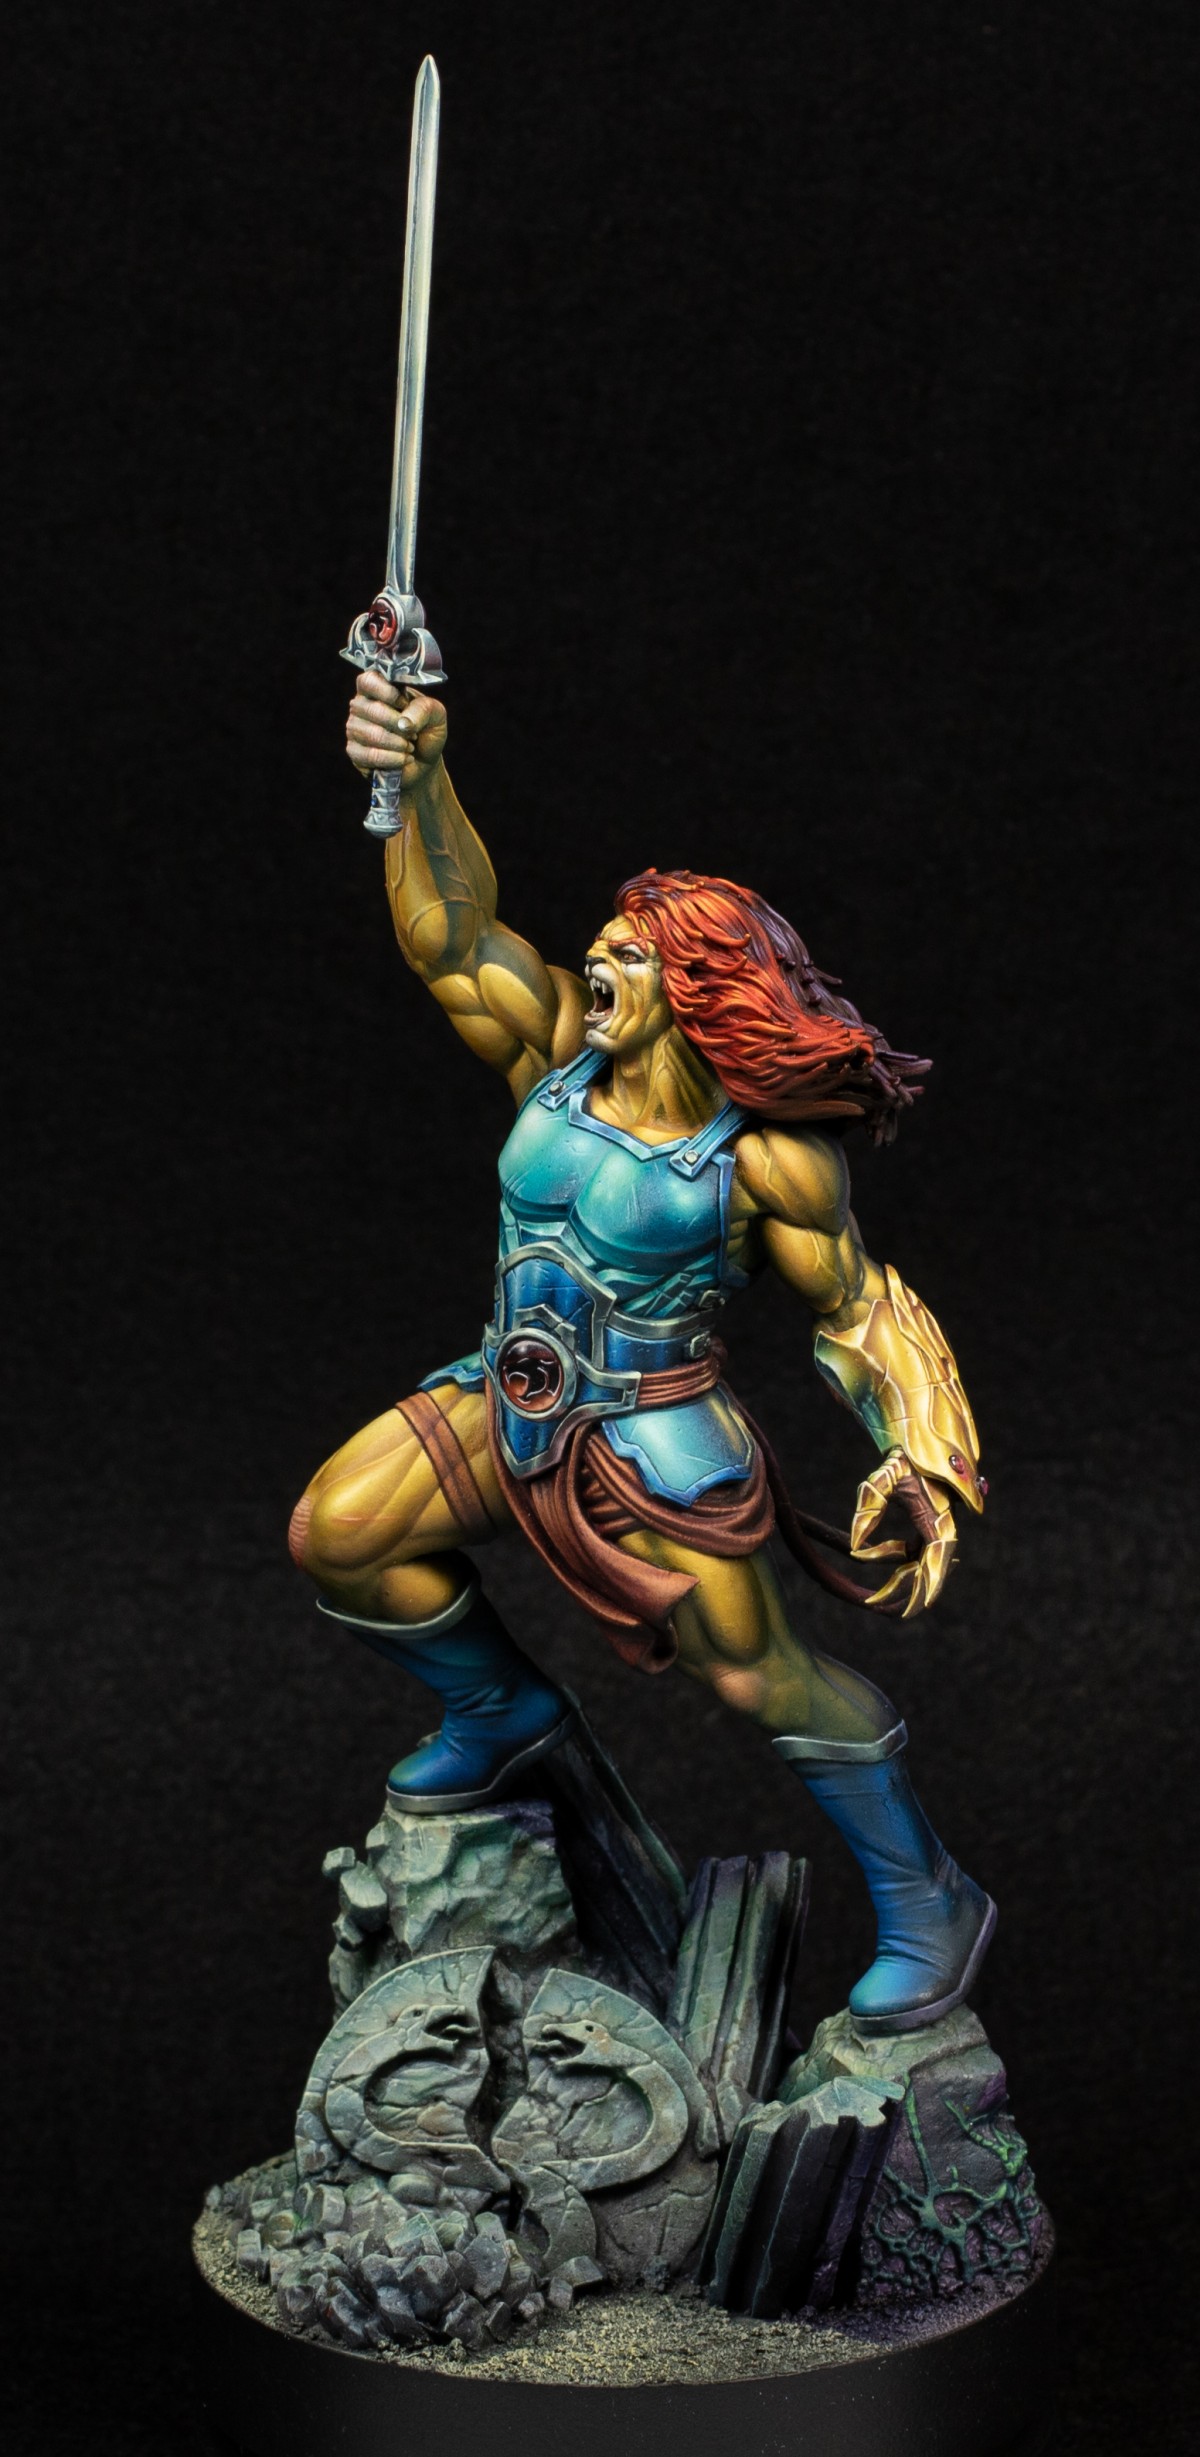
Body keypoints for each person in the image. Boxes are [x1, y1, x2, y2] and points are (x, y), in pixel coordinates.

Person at [288, 671, 994, 2036]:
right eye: (602, 944)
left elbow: (859, 1307)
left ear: (696, 988)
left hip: (651, 1440)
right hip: (507, 1401)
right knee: (342, 1533)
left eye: (630, 954)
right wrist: (417, 778)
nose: (598, 964)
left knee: (760, 1673)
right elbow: (450, 934)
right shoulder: (555, 1050)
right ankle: (502, 1711)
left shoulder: (765, 1160)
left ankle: (930, 1895)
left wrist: (922, 1454)